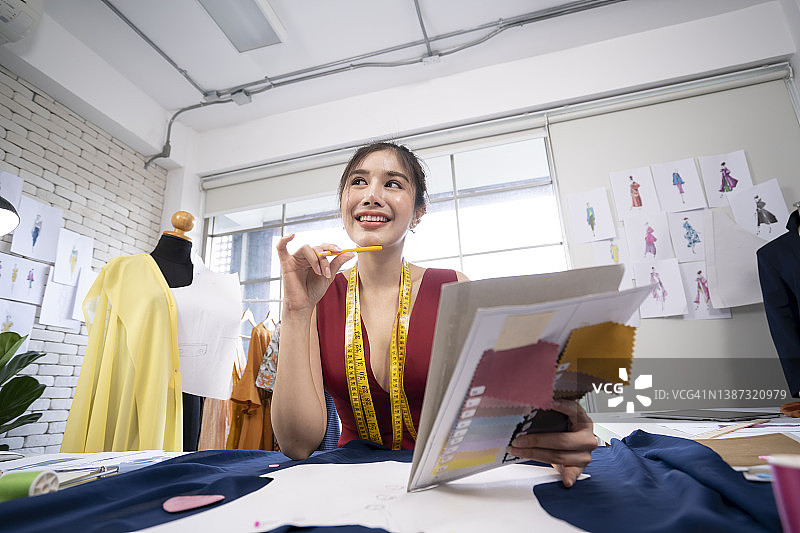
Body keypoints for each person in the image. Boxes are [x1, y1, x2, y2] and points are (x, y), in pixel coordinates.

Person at [272, 141, 597, 487]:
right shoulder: (318, 297)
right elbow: (297, 445)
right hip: (350, 484)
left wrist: (563, 426)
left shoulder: (454, 289)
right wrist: (296, 310)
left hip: (444, 482)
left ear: (418, 214)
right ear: (343, 204)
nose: (372, 195)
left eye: (393, 183)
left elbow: (517, 403)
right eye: (359, 182)